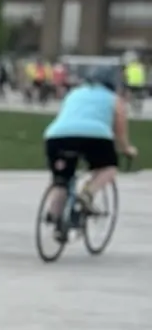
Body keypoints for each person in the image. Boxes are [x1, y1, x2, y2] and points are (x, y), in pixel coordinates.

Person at [41, 66, 137, 236]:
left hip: (56, 136)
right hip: (95, 136)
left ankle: (54, 214)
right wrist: (127, 150)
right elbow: (120, 133)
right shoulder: (114, 99)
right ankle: (87, 194)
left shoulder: (74, 94)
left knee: (61, 178)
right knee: (108, 167)